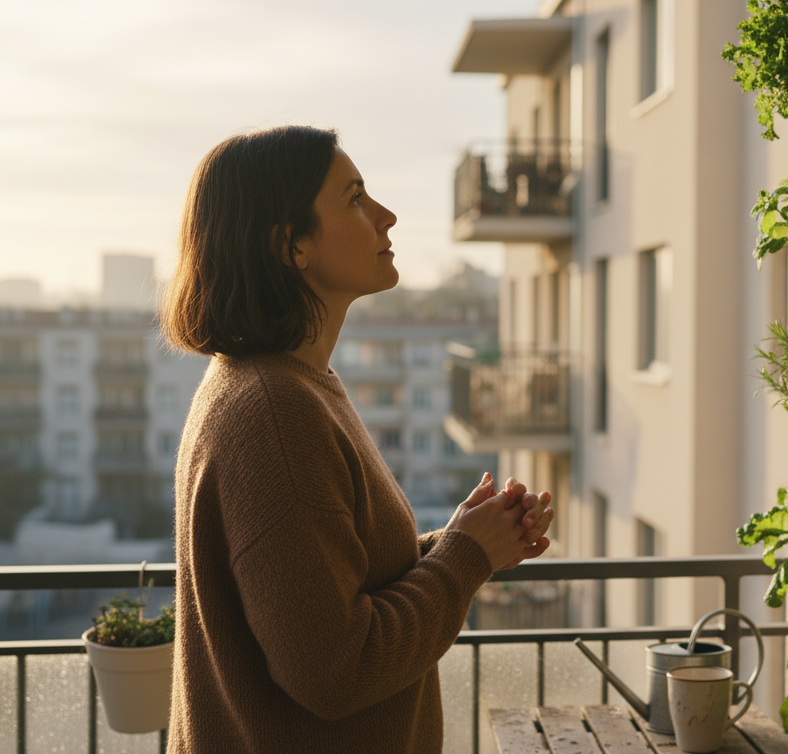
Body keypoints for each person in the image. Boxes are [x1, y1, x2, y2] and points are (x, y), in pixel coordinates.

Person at [161, 125, 553, 752]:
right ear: (292, 246)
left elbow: (324, 578)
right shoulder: (274, 411)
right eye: (354, 199)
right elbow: (335, 671)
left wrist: (463, 540)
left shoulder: (289, 386)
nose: (386, 216)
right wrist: (464, 558)